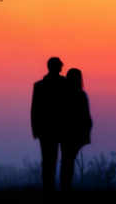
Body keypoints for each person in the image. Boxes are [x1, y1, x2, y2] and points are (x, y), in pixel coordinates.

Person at [31, 56, 69, 193]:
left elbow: (34, 110)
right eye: (60, 65)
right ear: (55, 67)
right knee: (52, 161)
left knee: (49, 161)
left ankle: (50, 188)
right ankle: (53, 188)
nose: (62, 67)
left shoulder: (40, 86)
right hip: (56, 129)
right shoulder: (65, 84)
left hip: (49, 130)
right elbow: (35, 109)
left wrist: (36, 130)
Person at [60, 68, 93, 190]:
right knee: (69, 161)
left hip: (66, 133)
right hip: (75, 133)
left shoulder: (63, 95)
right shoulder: (80, 95)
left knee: (66, 161)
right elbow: (86, 116)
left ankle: (65, 186)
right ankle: (66, 186)